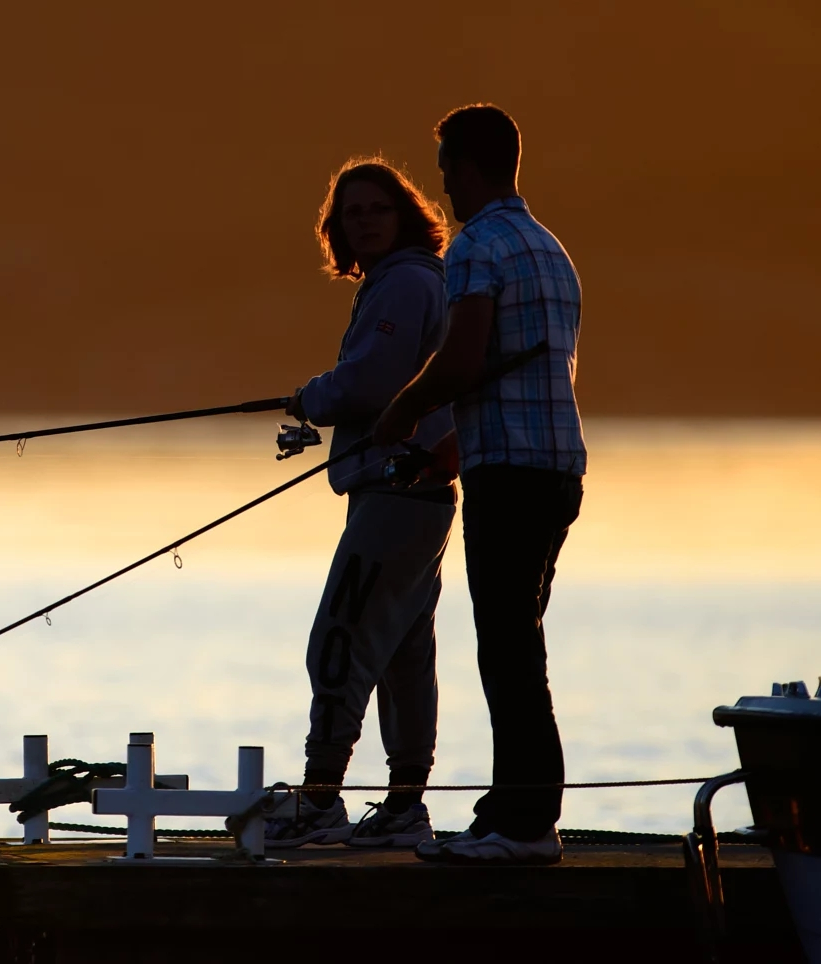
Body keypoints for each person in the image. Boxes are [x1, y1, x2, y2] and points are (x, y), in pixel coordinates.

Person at [372, 104, 585, 865]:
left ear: (463, 167)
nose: (445, 190)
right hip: (555, 471)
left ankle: (522, 827)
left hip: (511, 481)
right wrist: (450, 452)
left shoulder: (476, 249)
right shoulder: (549, 250)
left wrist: (398, 415)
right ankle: (519, 812)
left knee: (505, 649)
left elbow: (461, 364)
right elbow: (524, 382)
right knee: (519, 645)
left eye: (444, 173)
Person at [257, 158, 458, 850]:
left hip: (397, 495)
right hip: (416, 496)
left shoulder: (404, 282)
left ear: (405, 215)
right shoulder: (408, 282)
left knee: (340, 640)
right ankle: (404, 806)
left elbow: (373, 380)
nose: (363, 221)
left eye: (376, 208)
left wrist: (311, 396)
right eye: (351, 213)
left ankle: (320, 801)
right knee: (403, 652)